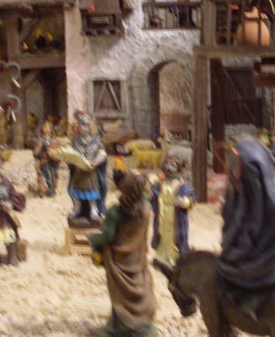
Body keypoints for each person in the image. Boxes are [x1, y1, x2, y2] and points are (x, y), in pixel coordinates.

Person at [218, 137, 275, 320]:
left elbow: (249, 230)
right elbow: (235, 216)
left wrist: (237, 248)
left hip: (264, 261)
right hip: (252, 245)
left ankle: (252, 295)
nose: (234, 181)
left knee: (229, 267)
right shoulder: (245, 193)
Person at [89, 170, 157, 337]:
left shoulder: (115, 213)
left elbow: (107, 237)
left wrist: (92, 239)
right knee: (140, 288)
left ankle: (118, 328)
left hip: (118, 261)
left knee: (119, 294)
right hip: (138, 260)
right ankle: (141, 325)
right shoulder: (146, 208)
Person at [150, 157, 196, 266]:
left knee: (175, 235)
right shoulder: (159, 184)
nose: (169, 168)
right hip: (162, 214)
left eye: (173, 166)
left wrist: (184, 201)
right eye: (167, 165)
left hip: (176, 214)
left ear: (177, 169)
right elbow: (152, 197)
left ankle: (175, 257)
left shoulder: (182, 185)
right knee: (163, 234)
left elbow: (191, 199)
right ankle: (161, 256)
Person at [68, 111, 107, 221]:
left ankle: (94, 209)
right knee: (75, 192)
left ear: (90, 127)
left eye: (85, 125)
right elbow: (70, 153)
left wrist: (94, 163)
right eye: (80, 125)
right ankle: (77, 208)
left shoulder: (96, 141)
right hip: (78, 173)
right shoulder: (75, 141)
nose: (82, 128)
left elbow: (102, 154)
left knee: (92, 193)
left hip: (90, 173)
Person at [34, 121, 59, 197]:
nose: (47, 129)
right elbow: (35, 153)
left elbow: (57, 151)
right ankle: (49, 188)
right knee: (47, 171)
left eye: (48, 127)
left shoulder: (53, 140)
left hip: (53, 160)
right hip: (44, 161)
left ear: (51, 129)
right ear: (42, 129)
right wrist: (41, 144)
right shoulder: (39, 140)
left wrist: (54, 153)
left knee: (54, 173)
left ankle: (52, 187)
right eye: (45, 127)